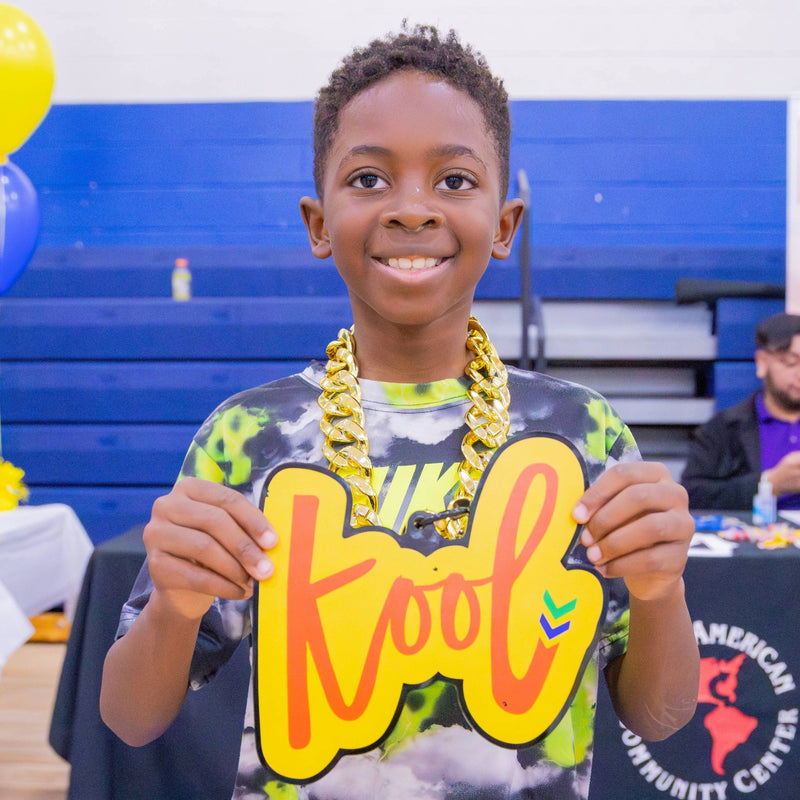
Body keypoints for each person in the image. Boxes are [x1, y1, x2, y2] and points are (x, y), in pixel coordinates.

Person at [100, 25, 699, 800]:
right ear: (319, 223)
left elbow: (659, 716)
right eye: (369, 180)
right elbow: (128, 718)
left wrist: (663, 593)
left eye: (454, 181)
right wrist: (175, 610)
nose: (411, 209)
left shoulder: (585, 438)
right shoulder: (249, 439)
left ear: (505, 225)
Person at [681, 311, 800, 511]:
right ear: (762, 362)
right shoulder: (725, 428)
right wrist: (768, 484)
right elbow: (692, 495)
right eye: (791, 363)